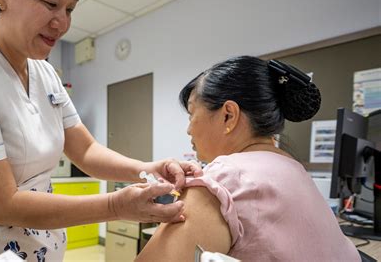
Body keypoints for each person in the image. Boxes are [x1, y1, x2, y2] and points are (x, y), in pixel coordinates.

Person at [0, 0, 201, 260]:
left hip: (44, 250)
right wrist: (115, 206)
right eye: (52, 3)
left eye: (70, 8)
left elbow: (84, 150)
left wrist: (146, 169)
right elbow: (2, 204)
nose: (63, 23)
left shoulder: (44, 73)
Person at [137, 56, 361, 262]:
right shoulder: (295, 170)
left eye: (192, 114)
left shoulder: (225, 177)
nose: (188, 130)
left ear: (229, 116)